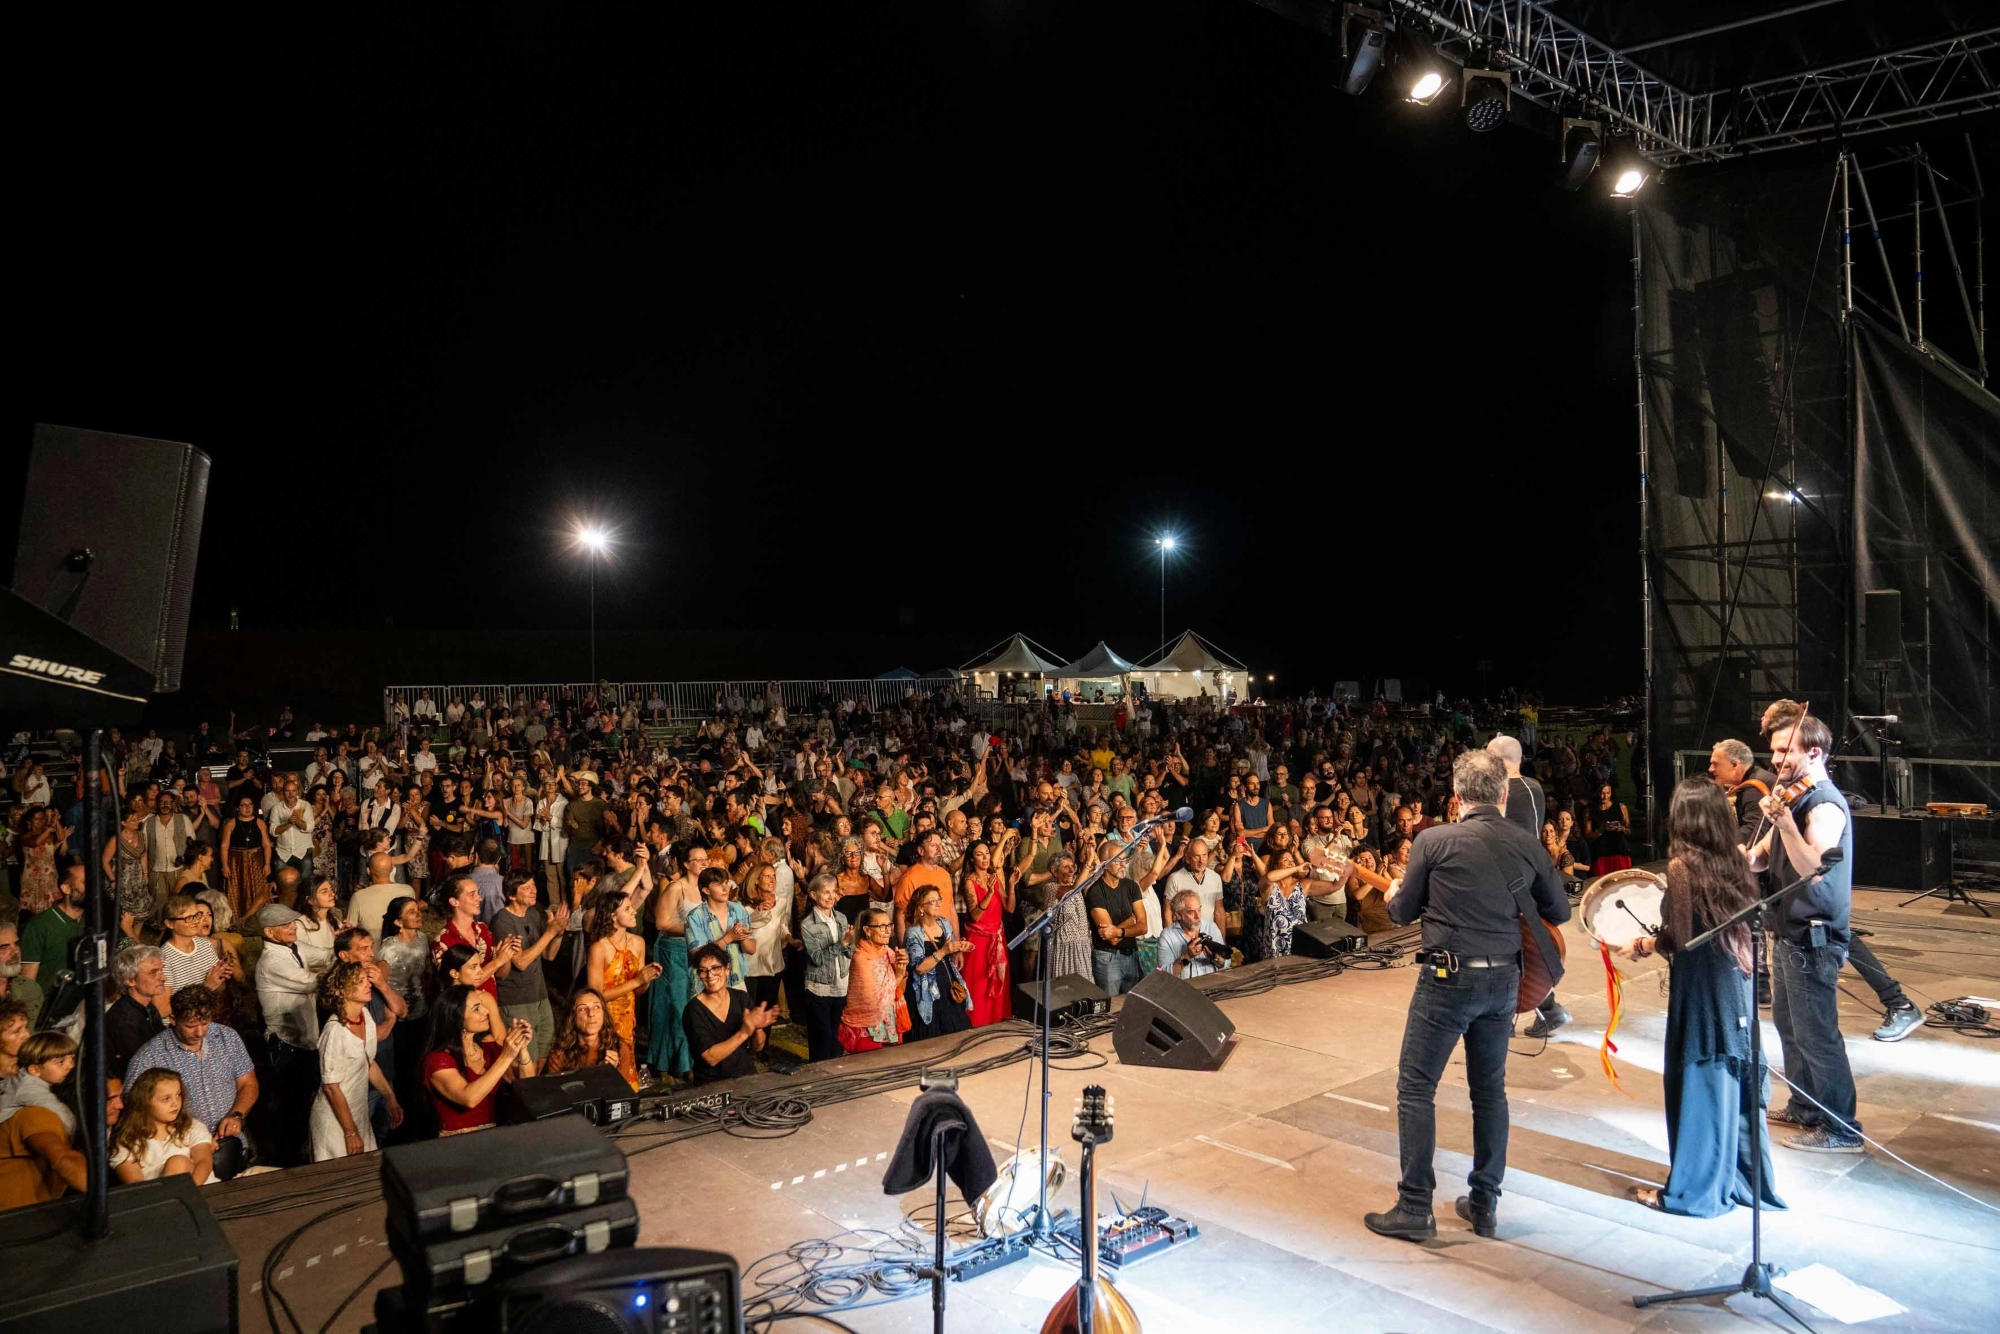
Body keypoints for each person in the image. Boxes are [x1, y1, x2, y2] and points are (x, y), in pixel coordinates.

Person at [1365, 750, 1568, 1243]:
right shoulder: (1525, 842)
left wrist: (1397, 893)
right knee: (1488, 1092)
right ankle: (1484, 1203)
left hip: (1446, 979)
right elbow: (1557, 910)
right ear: (1502, 795)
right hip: (1504, 982)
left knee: (1416, 1088)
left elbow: (1401, 914)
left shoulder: (1432, 840)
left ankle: (1415, 1205)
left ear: (1455, 797)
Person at [1617, 779, 1786, 1216]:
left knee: (1701, 1077)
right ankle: (1744, 1180)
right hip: (1735, 977)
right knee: (1734, 1073)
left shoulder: (1681, 867)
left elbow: (1680, 939)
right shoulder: (1736, 860)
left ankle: (1696, 1191)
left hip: (1702, 983)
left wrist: (1641, 945)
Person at [1747, 702, 1864, 1153]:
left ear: (1814, 753)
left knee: (1818, 1034)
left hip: (1814, 936)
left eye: (1784, 750)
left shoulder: (1825, 805)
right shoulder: (1791, 798)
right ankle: (1805, 1107)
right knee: (1788, 1026)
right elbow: (1758, 857)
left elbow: (1812, 867)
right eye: (1774, 751)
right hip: (1788, 931)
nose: (1775, 760)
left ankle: (1842, 1128)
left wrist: (1783, 823)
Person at [126, 984, 259, 1180]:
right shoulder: (149, 1057)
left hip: (232, 1147)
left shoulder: (227, 1038)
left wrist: (236, 1115)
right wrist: (197, 1140)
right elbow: (135, 1108)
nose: (199, 1032)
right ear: (173, 1019)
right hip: (183, 1157)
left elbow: (248, 1084)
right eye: (190, 1026)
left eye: (205, 1023)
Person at [1491, 735, 1568, 1039]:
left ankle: (1509, 1018)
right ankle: (1547, 1009)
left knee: (1507, 947)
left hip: (1508, 878)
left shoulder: (1503, 792)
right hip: (1532, 875)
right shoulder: (1534, 787)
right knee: (1525, 946)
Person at [0, 1034, 122, 1209]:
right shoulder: (38, 1112)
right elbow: (61, 1157)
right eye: (109, 1099)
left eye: (72, 1059)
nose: (70, 1066)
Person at [252, 901, 325, 1166]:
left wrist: (342, 951)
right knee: (291, 1107)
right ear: (269, 932)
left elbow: (325, 955)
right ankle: (288, 1162)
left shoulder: (295, 947)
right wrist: (343, 966)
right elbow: (313, 982)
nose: (292, 928)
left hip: (305, 1041)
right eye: (284, 925)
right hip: (286, 1046)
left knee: (305, 1102)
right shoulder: (272, 961)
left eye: (293, 923)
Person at [311, 959, 401, 1159]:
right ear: (340, 991)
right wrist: (350, 1132)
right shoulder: (335, 1032)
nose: (368, 984)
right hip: (336, 1119)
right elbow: (331, 1088)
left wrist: (390, 1097)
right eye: (360, 981)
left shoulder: (365, 1015)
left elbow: (368, 1062)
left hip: (357, 1112)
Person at [424, 984, 534, 1135]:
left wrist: (522, 1049)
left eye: (483, 1006)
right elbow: (469, 1098)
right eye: (476, 1008)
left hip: (492, 1135)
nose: (486, 1011)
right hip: (457, 1142)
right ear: (457, 1017)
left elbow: (528, 1086)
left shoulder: (488, 1049)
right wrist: (506, 1056)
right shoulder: (438, 1060)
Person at [585, 888, 657, 1088]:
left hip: (628, 1017)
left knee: (626, 1069)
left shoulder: (638, 943)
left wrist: (646, 979)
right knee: (607, 1071)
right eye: (628, 909)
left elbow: (639, 991)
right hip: (603, 1020)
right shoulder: (599, 948)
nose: (634, 911)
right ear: (612, 916)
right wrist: (636, 981)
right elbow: (595, 996)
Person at [683, 942, 776, 1084]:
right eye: (703, 970)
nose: (710, 975)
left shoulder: (741, 998)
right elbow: (710, 1057)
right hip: (712, 1082)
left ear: (727, 969)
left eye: (715, 968)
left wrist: (757, 1028)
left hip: (745, 1074)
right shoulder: (693, 1010)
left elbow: (757, 1047)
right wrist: (744, 1032)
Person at [110, 1067, 213, 1184]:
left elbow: (204, 1162)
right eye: (166, 1099)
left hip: (199, 1191)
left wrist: (189, 1194)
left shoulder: (191, 1127)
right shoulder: (126, 1139)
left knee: (178, 1162)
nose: (175, 1103)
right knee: (177, 1164)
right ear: (145, 1102)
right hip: (154, 1197)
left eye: (178, 1095)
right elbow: (136, 1182)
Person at [903, 885, 973, 1040]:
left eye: (939, 900)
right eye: (932, 901)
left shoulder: (944, 923)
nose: (938, 904)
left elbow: (951, 950)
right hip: (927, 992)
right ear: (921, 906)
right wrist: (943, 951)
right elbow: (919, 968)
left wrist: (960, 947)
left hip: (947, 986)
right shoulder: (914, 933)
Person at [837, 907, 910, 1053]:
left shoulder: (887, 951)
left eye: (889, 925)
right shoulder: (861, 957)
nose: (888, 931)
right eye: (882, 927)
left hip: (889, 1023)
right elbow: (871, 1000)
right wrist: (898, 976)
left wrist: (902, 966)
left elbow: (899, 990)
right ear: (867, 930)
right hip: (868, 1027)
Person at [798, 873, 852, 1061]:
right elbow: (818, 959)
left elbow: (850, 953)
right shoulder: (807, 925)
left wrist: (850, 944)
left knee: (837, 1039)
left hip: (841, 985)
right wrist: (842, 944)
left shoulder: (842, 918)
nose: (831, 897)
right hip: (819, 987)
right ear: (813, 895)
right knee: (821, 1039)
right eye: (825, 892)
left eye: (834, 892)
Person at [958, 841, 1013, 1026]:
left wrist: (1011, 886)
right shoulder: (969, 881)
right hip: (979, 940)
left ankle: (996, 1020)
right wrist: (989, 893)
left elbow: (1009, 907)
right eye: (980, 854)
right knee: (979, 984)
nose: (985, 858)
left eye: (986, 854)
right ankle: (976, 1023)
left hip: (996, 937)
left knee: (996, 981)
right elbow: (974, 915)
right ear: (972, 859)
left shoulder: (994, 876)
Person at [1085, 848, 1146, 998]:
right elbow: (1111, 939)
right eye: (1118, 860)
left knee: (1132, 1007)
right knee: (1110, 1009)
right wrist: (1131, 921)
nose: (1123, 864)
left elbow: (1143, 926)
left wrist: (1118, 931)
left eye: (1124, 860)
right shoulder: (1095, 891)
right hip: (1108, 958)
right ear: (1105, 864)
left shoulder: (1131, 886)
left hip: (1132, 954)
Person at [106, 945, 169, 1077]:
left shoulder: (149, 1009)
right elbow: (141, 1065)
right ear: (130, 980)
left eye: (161, 971)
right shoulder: (124, 1019)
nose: (163, 978)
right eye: (153, 973)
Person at [542, 987, 625, 1078]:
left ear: (604, 1014)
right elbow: (556, 1090)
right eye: (582, 1009)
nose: (591, 1014)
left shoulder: (619, 1048)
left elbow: (623, 1091)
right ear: (573, 1018)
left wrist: (612, 1073)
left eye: (596, 1007)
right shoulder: (559, 1054)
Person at [221, 794, 273, 921]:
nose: (247, 807)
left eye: (249, 805)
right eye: (243, 805)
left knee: (258, 890)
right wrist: (225, 866)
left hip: (256, 861)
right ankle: (237, 922)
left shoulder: (260, 823)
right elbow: (224, 846)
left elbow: (266, 845)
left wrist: (267, 864)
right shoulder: (231, 824)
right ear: (238, 808)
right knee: (237, 891)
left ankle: (258, 920)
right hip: (236, 862)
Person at [1156, 888, 1229, 979]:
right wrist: (1187, 956)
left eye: (1199, 910)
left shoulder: (1211, 927)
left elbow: (1226, 963)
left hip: (1212, 986)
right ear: (1178, 915)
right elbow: (1164, 975)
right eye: (1191, 912)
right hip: (1184, 990)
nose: (1198, 916)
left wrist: (1215, 958)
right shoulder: (1167, 936)